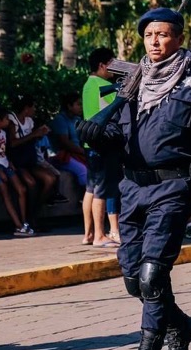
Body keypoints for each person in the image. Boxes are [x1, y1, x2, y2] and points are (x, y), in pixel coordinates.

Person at [77, 7, 191, 350]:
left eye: (162, 34)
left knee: (152, 274)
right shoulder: (131, 82)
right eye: (148, 35)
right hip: (132, 188)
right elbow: (121, 137)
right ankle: (181, 326)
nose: (155, 41)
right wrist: (97, 136)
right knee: (135, 279)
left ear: (178, 37)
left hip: (173, 187)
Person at [82, 47, 122, 246]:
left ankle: (88, 234)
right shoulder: (102, 84)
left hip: (91, 142)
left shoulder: (89, 84)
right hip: (103, 142)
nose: (114, 70)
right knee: (101, 189)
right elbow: (119, 105)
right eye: (112, 65)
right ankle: (99, 235)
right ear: (102, 65)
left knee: (91, 188)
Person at [7, 95, 58, 227]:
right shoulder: (12, 121)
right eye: (33, 107)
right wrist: (34, 135)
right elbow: (12, 143)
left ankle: (36, 210)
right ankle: (30, 217)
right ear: (26, 108)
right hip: (17, 161)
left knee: (50, 179)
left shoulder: (29, 121)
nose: (34, 109)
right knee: (31, 183)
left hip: (30, 159)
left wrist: (40, 134)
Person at [50, 92, 94, 243]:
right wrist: (82, 152)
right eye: (78, 104)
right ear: (69, 106)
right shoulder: (59, 120)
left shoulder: (77, 119)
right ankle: (85, 198)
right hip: (62, 155)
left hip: (77, 152)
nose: (80, 107)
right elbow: (64, 142)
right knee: (83, 172)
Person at [0, 106, 33, 236]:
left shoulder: (3, 134)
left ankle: (24, 221)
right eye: (6, 119)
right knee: (5, 193)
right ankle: (18, 225)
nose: (8, 121)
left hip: (5, 163)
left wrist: (9, 163)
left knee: (21, 189)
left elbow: (3, 152)